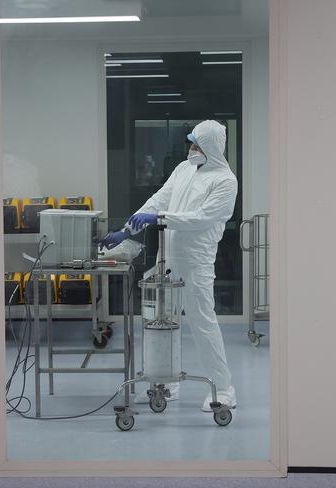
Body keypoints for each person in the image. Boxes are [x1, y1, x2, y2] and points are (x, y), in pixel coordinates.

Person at [99, 120, 238, 411]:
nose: (191, 148)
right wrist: (126, 230)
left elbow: (201, 217)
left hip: (196, 263)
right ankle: (165, 382)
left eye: (197, 144)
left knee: (202, 324)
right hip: (167, 260)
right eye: (191, 143)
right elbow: (158, 199)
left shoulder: (225, 181)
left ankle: (224, 389)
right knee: (160, 322)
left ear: (211, 148)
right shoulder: (183, 169)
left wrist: (160, 218)